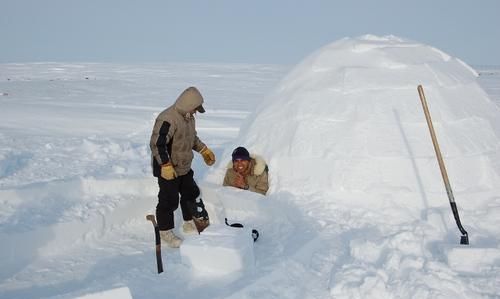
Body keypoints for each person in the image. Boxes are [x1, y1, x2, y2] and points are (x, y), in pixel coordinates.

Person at [150, 86, 216, 248]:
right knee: (169, 200)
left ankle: (188, 222)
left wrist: (203, 149)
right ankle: (165, 231)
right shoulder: (167, 118)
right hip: (167, 168)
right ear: (188, 104)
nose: (195, 112)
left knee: (191, 193)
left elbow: (191, 138)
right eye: (195, 109)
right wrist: (165, 165)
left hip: (183, 166)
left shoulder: (188, 118)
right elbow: (157, 144)